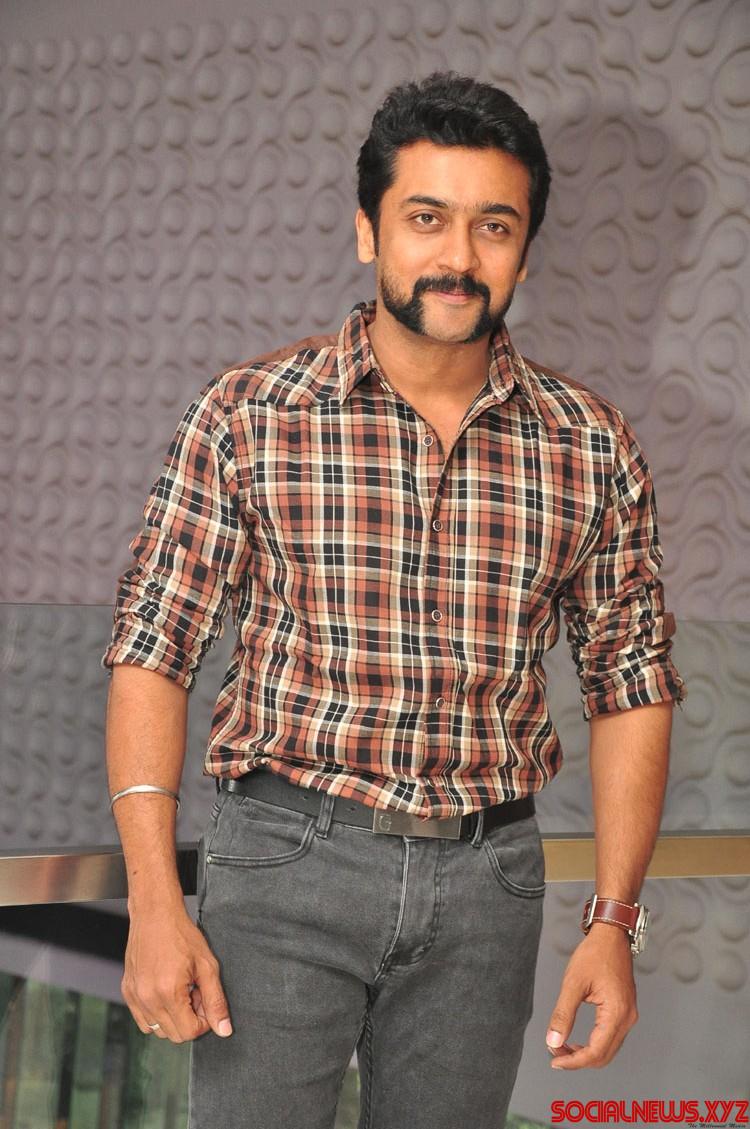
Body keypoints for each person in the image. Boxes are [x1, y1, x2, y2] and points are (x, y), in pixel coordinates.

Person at [103, 72, 686, 1129]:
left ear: (525, 249)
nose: (459, 256)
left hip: (489, 884)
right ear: (368, 229)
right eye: (426, 218)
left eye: (494, 226)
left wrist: (614, 919)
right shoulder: (250, 416)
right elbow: (155, 647)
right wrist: (152, 898)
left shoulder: (591, 447)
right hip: (283, 866)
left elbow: (631, 682)